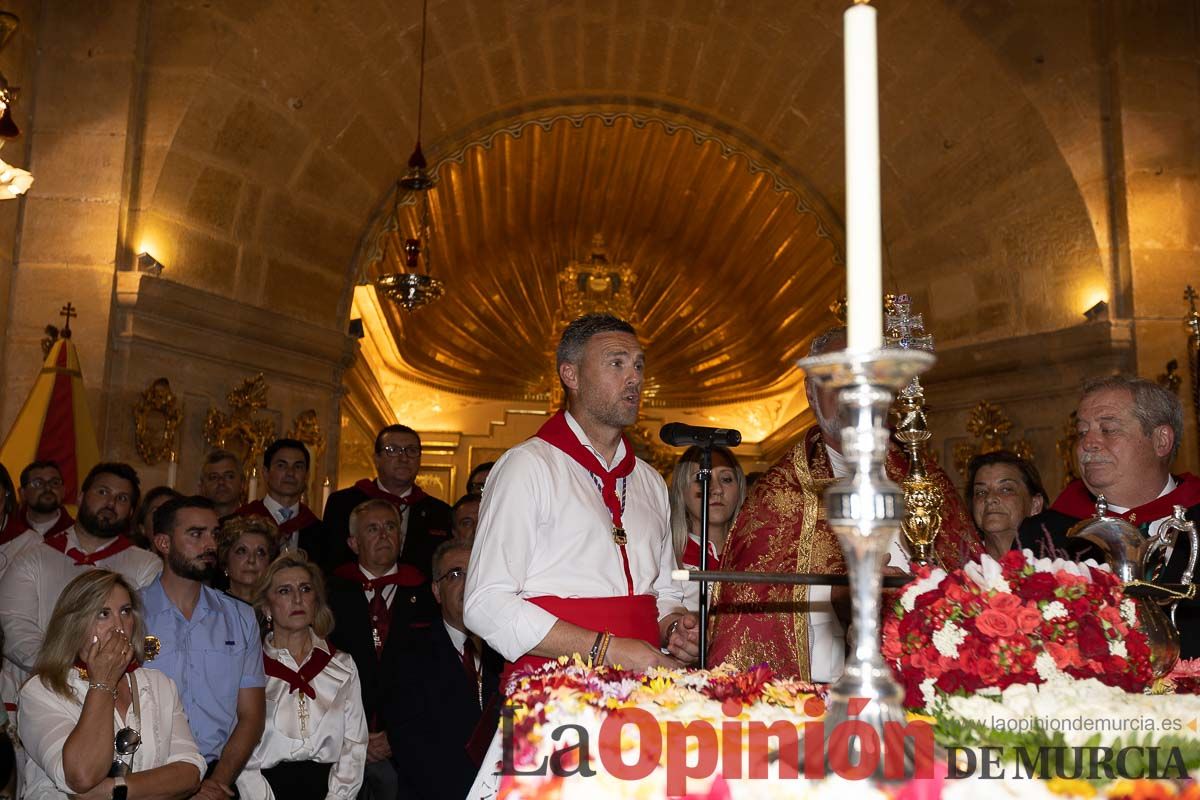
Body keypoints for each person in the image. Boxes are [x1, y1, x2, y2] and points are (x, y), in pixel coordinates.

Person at [707, 328, 984, 682]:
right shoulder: (779, 496)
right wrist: (842, 592)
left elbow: (971, 582)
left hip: (932, 681)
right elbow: (754, 626)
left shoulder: (925, 479)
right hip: (824, 691)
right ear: (810, 392)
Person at [464, 313, 697, 677]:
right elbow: (485, 603)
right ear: (570, 375)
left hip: (646, 688)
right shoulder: (527, 466)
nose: (634, 377)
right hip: (552, 687)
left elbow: (665, 592)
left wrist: (675, 627)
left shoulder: (650, 481)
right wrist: (607, 649)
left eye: (638, 365)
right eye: (616, 364)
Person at [1019, 376, 1200, 657]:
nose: (1088, 444)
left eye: (1108, 429)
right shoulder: (1041, 537)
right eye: (1081, 432)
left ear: (1161, 440)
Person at [18, 569, 205, 799]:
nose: (119, 626)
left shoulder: (159, 684)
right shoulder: (41, 691)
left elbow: (189, 773)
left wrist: (112, 791)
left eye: (125, 612)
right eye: (103, 614)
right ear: (73, 623)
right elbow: (82, 776)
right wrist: (103, 683)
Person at [0, 463, 161, 720]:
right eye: (103, 492)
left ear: (131, 511)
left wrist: (100, 673)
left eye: (121, 498)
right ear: (80, 497)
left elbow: (144, 631)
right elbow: (14, 625)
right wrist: (67, 672)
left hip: (115, 698)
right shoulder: (34, 556)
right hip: (37, 690)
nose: (110, 503)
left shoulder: (146, 565)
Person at [141, 495, 266, 799]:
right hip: (145, 774)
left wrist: (217, 782)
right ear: (163, 543)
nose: (211, 544)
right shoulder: (131, 613)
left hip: (216, 777)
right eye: (197, 534)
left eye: (215, 534)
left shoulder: (241, 617)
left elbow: (251, 715)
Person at [327, 499, 435, 800]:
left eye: (390, 527)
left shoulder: (427, 594)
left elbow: (433, 674)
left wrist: (394, 735)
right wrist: (357, 736)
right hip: (341, 744)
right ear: (353, 542)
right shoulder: (329, 593)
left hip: (408, 747)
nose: (384, 535)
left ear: (401, 539)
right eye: (372, 529)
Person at [239, 552, 366, 800]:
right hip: (267, 790)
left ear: (316, 601)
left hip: (330, 790)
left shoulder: (342, 665)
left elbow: (355, 745)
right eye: (285, 591)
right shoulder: (249, 668)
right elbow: (241, 751)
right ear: (267, 607)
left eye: (305, 589)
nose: (297, 598)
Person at [384, 540, 501, 800]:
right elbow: (412, 749)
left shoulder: (508, 651)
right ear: (436, 591)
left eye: (477, 573)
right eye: (457, 574)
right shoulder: (409, 653)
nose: (470, 583)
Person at [322, 425, 452, 574]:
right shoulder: (343, 503)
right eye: (393, 450)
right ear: (376, 459)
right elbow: (330, 562)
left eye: (412, 451)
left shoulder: (440, 513)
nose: (404, 458)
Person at [668, 445, 747, 612]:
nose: (717, 489)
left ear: (739, 490)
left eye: (726, 479)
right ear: (681, 491)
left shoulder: (757, 558)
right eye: (702, 478)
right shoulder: (667, 560)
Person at [233, 439, 323, 558]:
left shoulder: (320, 531)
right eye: (281, 466)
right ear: (265, 473)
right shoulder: (241, 520)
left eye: (298, 467)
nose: (290, 473)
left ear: (306, 476)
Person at [967, 450, 1046, 559]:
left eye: (1006, 489)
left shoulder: (1060, 564)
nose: (990, 498)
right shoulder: (958, 568)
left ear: (1035, 505)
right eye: (981, 492)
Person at [0, 461, 75, 563]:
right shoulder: (8, 529)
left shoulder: (76, 533)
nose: (48, 488)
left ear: (64, 490)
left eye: (55, 483)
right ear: (22, 493)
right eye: (38, 483)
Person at [218, 515, 280, 604]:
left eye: (260, 552)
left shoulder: (279, 609)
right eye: (242, 551)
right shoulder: (209, 610)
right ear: (225, 561)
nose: (251, 560)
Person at [199, 449, 246, 519]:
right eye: (213, 477)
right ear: (202, 487)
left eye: (229, 476)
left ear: (242, 484)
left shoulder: (255, 524)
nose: (221, 482)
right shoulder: (192, 523)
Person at [131, 486, 181, 551]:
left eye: (170, 511)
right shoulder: (133, 559)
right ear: (143, 529)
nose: (163, 516)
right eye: (156, 512)